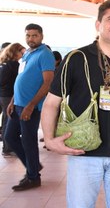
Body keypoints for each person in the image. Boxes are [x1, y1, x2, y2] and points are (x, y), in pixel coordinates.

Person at [40, 0, 110, 208]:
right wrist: (48, 139)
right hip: (84, 153)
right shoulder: (76, 58)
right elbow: (51, 103)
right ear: (98, 24)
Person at [4, 24, 55, 191]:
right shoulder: (27, 54)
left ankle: (33, 177)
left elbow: (47, 83)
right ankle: (33, 166)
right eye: (28, 36)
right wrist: (12, 102)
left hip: (31, 107)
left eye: (34, 35)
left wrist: (31, 105)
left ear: (41, 36)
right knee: (10, 137)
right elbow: (21, 78)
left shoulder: (45, 54)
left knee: (28, 141)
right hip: (18, 105)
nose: (31, 39)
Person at [0, 43, 25, 156]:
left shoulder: (4, 63)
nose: (23, 54)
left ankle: (7, 147)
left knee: (6, 119)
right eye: (21, 52)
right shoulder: (13, 65)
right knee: (8, 121)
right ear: (15, 52)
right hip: (8, 96)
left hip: (3, 95)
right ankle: (8, 148)